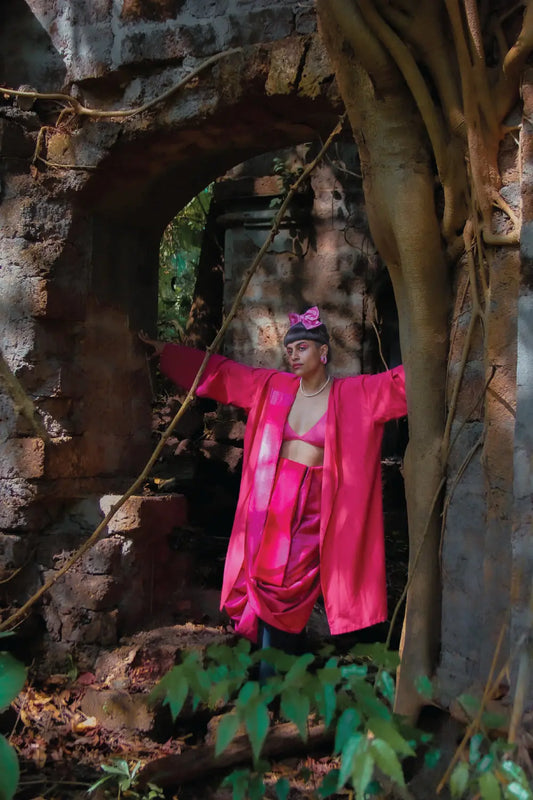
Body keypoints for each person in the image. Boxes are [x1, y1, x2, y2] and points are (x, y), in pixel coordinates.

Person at [139, 306, 407, 656]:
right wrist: (167, 352)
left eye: (303, 348)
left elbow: (399, 385)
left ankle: (274, 674)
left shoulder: (355, 395)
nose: (293, 355)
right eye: (290, 350)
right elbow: (223, 374)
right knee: (264, 581)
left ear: (323, 351)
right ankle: (270, 674)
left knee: (288, 588)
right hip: (269, 506)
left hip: (316, 511)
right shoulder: (273, 387)